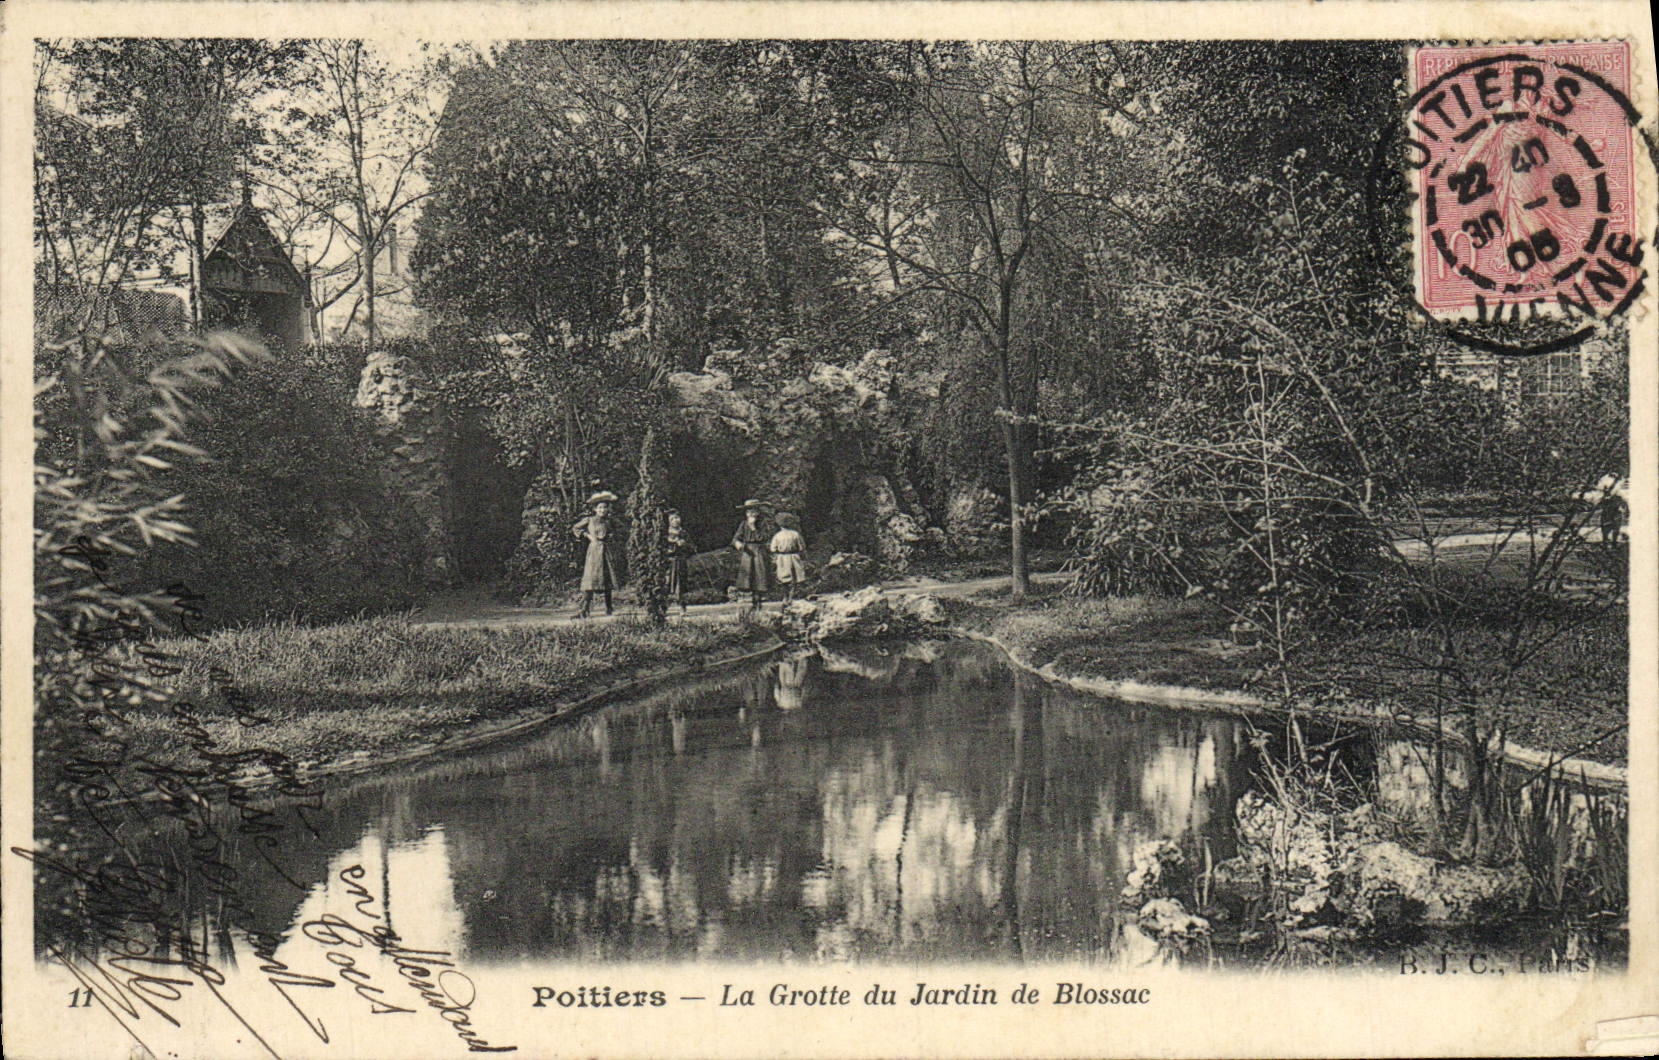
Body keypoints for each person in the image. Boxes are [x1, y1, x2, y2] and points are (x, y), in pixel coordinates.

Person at [572, 491, 623, 617]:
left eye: (605, 507)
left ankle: (609, 608)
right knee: (590, 579)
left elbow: (622, 529)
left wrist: (612, 536)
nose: (602, 510)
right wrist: (588, 536)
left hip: (606, 551)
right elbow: (576, 528)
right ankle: (584, 610)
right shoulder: (589, 520)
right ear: (595, 509)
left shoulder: (610, 521)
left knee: (607, 579)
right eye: (600, 507)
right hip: (594, 552)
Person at [731, 498, 771, 610]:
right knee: (749, 577)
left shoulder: (762, 523)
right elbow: (735, 538)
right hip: (747, 552)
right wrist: (737, 543)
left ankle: (758, 601)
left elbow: (763, 537)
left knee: (759, 576)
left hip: (758, 551)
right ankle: (752, 602)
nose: (751, 514)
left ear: (758, 512)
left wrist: (753, 527)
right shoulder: (743, 524)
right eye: (748, 512)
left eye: (753, 511)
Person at [769, 512, 808, 605]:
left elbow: (772, 548)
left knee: (784, 578)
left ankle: (785, 597)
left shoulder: (777, 535)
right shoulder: (795, 534)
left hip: (782, 557)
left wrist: (775, 556)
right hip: (794, 557)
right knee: (794, 578)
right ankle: (791, 596)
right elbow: (802, 547)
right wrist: (804, 556)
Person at [665, 509, 695, 616]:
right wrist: (672, 547)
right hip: (670, 562)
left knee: (681, 584)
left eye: (677, 518)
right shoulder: (666, 534)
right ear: (669, 521)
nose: (675, 521)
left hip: (681, 561)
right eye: (672, 519)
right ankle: (664, 607)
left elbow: (692, 548)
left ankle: (682, 607)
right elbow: (662, 548)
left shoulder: (684, 533)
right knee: (667, 583)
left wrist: (685, 545)